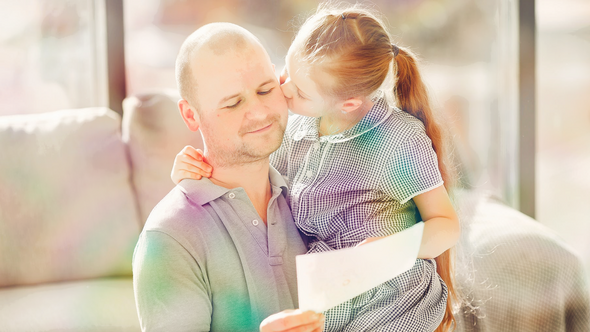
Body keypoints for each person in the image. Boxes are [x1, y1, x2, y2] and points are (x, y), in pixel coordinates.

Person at [171, 3, 461, 332]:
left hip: (393, 296)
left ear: (347, 103)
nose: (283, 91)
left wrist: (383, 252)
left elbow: (447, 225)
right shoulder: (296, 130)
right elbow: (253, 184)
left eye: (301, 91)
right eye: (286, 74)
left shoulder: (397, 138)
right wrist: (194, 173)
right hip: (329, 294)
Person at [132, 22, 326, 332]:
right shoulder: (170, 238)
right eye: (233, 103)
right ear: (191, 116)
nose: (260, 111)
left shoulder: (316, 185)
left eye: (266, 89)